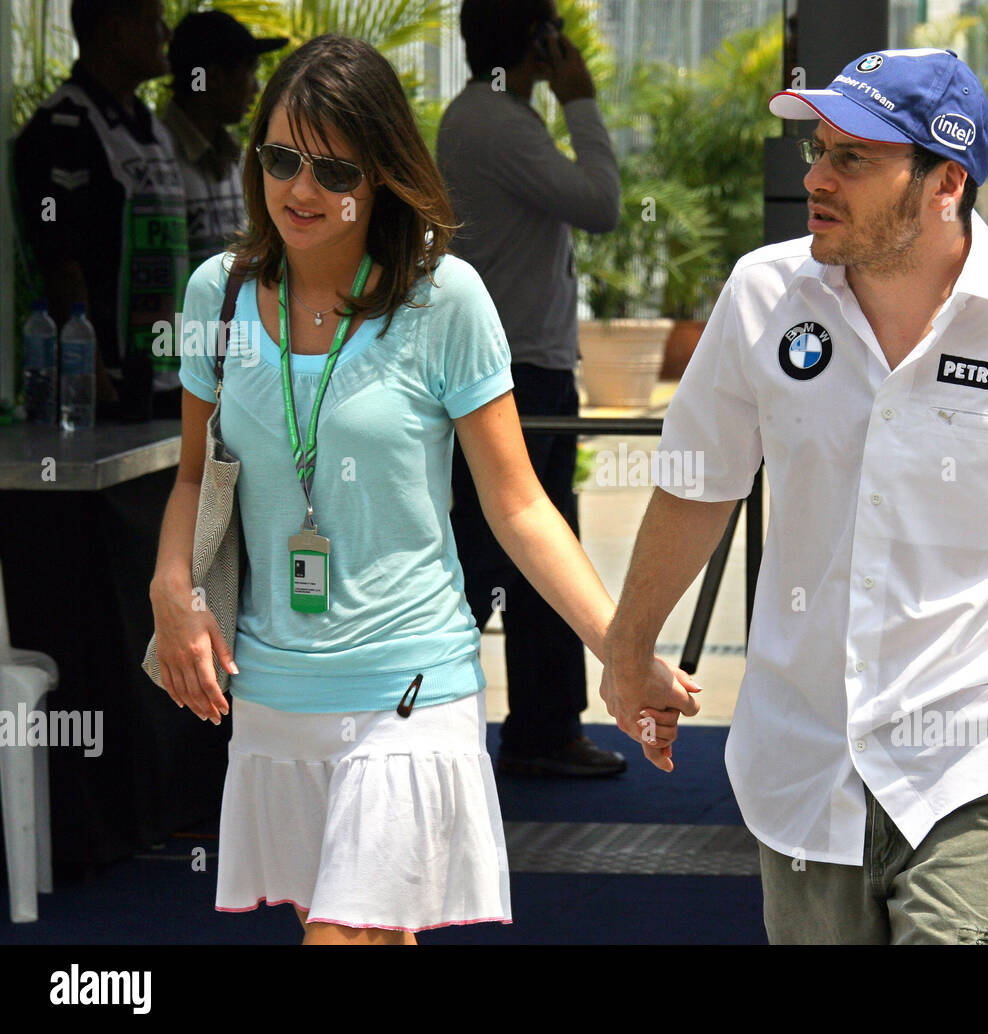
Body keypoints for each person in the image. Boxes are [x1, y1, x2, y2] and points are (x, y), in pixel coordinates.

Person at [599, 48, 988, 945]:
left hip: (980, 763)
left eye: (853, 158)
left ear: (946, 183)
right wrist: (629, 649)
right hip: (804, 764)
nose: (816, 177)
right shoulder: (764, 295)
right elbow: (698, 483)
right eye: (819, 150)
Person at [148, 34, 694, 945]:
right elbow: (196, 476)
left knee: (344, 936)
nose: (300, 189)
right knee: (370, 933)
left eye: (334, 170)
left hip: (409, 686)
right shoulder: (221, 295)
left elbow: (519, 506)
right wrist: (173, 586)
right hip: (275, 689)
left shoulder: (444, 301)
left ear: (383, 176)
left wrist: (622, 648)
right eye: (281, 160)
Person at [437, 0, 624, 777]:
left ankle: (537, 727)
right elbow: (602, 205)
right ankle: (533, 729)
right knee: (515, 554)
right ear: (539, 40)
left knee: (514, 555)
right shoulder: (500, 124)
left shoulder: (485, 116)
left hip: (516, 364)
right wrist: (579, 99)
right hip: (519, 371)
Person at [13, 0, 187, 421]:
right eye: (154, 22)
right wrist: (93, 381)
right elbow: (59, 260)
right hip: (109, 390)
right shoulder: (63, 126)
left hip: (168, 380)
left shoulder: (152, 127)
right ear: (114, 30)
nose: (165, 35)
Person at [162, 11, 286, 279]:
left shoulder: (234, 159)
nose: (256, 88)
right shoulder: (156, 157)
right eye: (249, 71)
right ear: (215, 77)